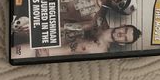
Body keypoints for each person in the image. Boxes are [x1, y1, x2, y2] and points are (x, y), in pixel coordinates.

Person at [11, 24, 142, 59]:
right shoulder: (97, 23)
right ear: (122, 25)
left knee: (11, 54)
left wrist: (45, 60)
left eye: (125, 38)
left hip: (43, 52)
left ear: (122, 43)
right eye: (125, 30)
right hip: (44, 36)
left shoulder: (101, 53)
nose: (121, 34)